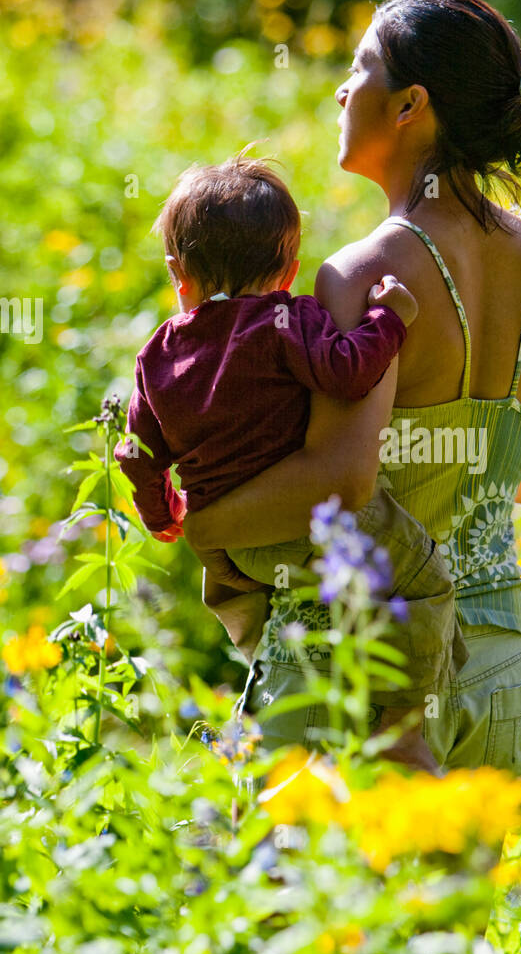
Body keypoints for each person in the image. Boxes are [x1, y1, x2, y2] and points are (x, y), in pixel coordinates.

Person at [185, 0, 521, 788]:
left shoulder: (362, 273)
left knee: (306, 914)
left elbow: (344, 478)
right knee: (458, 915)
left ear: (410, 105)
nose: (342, 90)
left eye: (359, 66)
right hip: (500, 670)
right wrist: (467, 474)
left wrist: (205, 523)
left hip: (360, 670)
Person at [114, 151, 465, 771]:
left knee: (257, 607)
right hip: (308, 524)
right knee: (427, 583)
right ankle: (407, 723)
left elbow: (137, 454)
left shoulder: (156, 356)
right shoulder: (285, 321)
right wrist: (390, 317)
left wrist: (162, 513)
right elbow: (351, 372)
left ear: (178, 273)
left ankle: (268, 673)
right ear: (290, 270)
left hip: (238, 551)